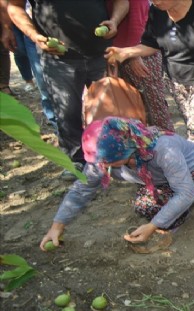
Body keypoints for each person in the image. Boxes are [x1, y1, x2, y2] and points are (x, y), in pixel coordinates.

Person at [39, 117, 194, 251]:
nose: (102, 166)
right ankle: (175, 217)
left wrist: (153, 225)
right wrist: (58, 225)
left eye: (108, 161)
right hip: (166, 180)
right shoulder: (105, 156)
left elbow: (186, 192)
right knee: (145, 205)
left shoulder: (162, 149)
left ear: (125, 149)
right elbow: (83, 188)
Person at [8, 0, 129, 179]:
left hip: (101, 52)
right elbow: (14, 6)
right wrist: (34, 36)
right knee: (66, 112)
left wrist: (115, 20)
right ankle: (77, 159)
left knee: (111, 109)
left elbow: (122, 1)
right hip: (58, 57)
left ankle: (118, 156)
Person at [105, 0, 194, 150]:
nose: (154, 1)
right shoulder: (157, 10)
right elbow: (151, 44)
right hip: (178, 83)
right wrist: (125, 52)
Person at [113, 0, 173, 131]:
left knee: (155, 106)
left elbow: (138, 19)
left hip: (140, 52)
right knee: (133, 106)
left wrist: (134, 54)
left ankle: (168, 142)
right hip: (122, 52)